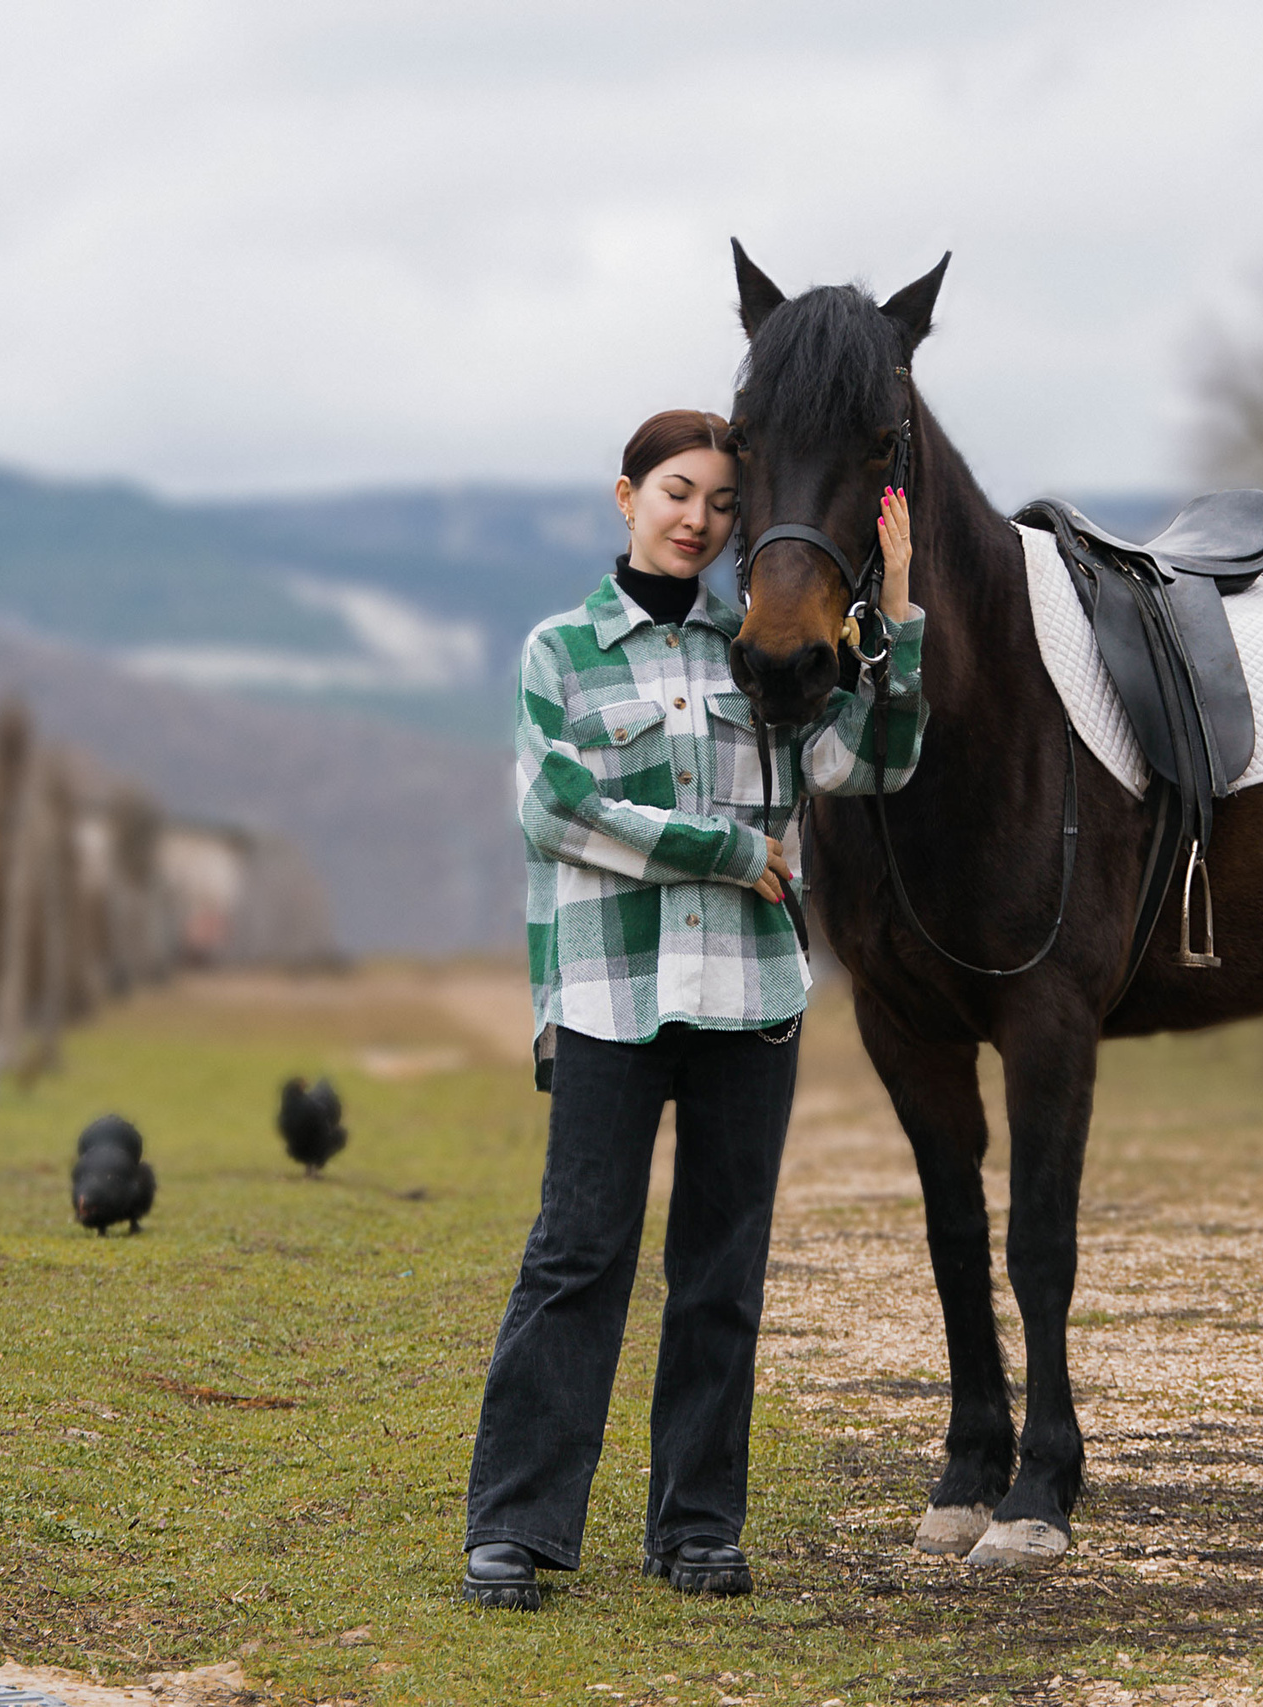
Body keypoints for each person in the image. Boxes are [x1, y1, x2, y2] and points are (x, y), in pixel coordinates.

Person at [461, 407, 927, 1606]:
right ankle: (516, 1525)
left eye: (723, 504)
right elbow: (554, 810)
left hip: (749, 1001)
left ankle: (699, 1528)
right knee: (577, 1255)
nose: (699, 520)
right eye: (678, 493)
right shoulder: (559, 649)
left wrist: (903, 623)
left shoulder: (761, 650)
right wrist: (726, 851)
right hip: (608, 996)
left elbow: (866, 765)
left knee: (722, 1269)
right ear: (626, 497)